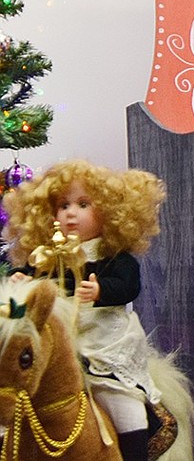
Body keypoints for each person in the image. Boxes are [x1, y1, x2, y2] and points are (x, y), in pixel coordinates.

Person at [3, 159, 167, 461]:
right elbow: (36, 285)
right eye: (63, 205)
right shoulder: (45, 257)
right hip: (60, 350)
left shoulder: (113, 257)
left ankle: (134, 454)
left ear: (107, 211)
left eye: (82, 204)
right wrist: (22, 280)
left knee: (125, 407)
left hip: (104, 343)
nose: (70, 213)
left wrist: (101, 290)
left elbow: (129, 285)